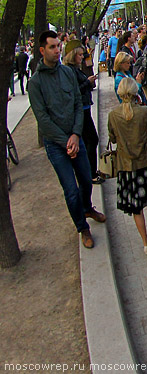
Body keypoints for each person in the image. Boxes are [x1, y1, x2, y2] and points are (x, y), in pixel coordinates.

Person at [29, 31, 105, 249]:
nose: (57, 50)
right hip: (57, 145)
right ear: (42, 50)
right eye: (52, 47)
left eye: (58, 46)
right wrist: (65, 141)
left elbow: (77, 106)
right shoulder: (35, 83)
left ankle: (88, 207)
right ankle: (82, 227)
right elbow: (42, 119)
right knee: (71, 190)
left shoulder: (68, 73)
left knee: (86, 178)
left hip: (74, 137)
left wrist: (75, 134)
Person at [109, 77, 147, 255]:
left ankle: (145, 241)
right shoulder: (142, 111)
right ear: (136, 93)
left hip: (126, 164)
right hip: (146, 160)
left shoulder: (113, 115)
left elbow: (112, 138)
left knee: (136, 205)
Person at [63, 40, 102, 185]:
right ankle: (91, 172)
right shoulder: (69, 71)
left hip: (84, 107)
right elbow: (74, 91)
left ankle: (91, 170)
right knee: (92, 139)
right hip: (81, 110)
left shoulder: (74, 69)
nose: (81, 57)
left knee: (90, 140)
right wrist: (87, 82)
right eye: (79, 55)